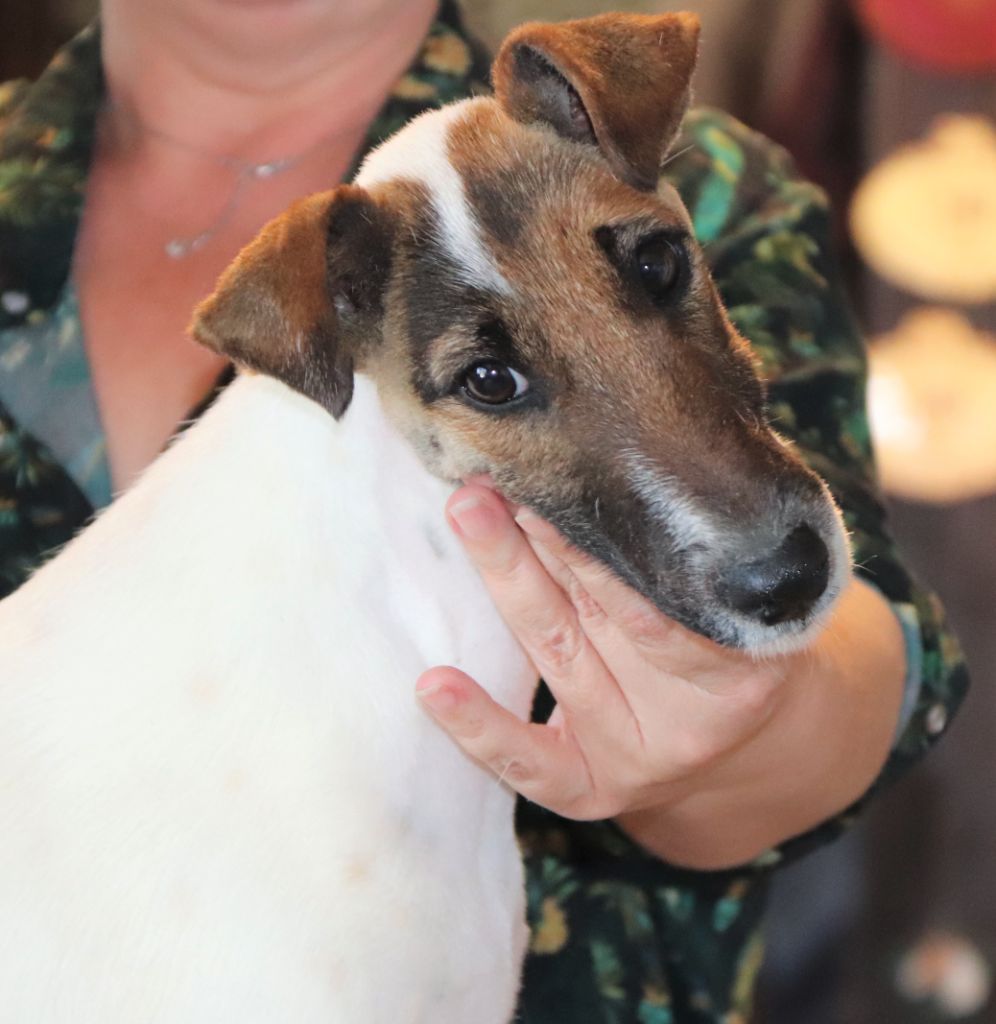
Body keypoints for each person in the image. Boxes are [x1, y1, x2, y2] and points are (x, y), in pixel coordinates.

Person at [0, 0, 967, 1020]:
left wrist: (755, 716)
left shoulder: (675, 163)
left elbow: (876, 661)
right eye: (492, 381)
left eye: (654, 269)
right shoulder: (325, 280)